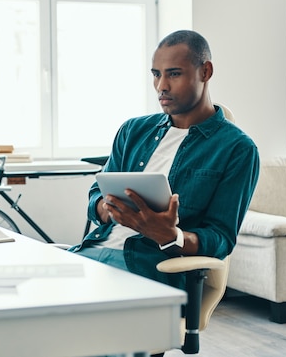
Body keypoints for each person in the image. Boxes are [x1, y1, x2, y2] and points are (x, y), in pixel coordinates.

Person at [70, 30, 260, 290]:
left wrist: (171, 237)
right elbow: (95, 196)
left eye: (174, 73)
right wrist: (110, 210)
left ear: (205, 72)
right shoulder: (133, 131)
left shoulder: (237, 149)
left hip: (148, 270)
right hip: (90, 255)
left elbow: (220, 239)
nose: (162, 86)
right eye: (156, 74)